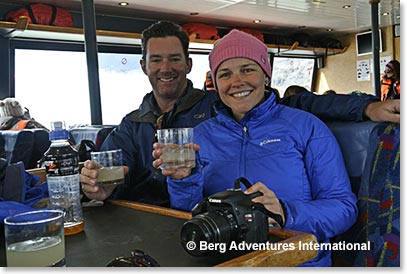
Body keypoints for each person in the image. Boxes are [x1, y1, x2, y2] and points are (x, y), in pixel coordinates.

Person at [79, 21, 400, 207]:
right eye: (157, 60)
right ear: (144, 66)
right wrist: (97, 186)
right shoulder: (131, 125)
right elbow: (108, 170)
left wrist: (365, 107)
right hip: (166, 225)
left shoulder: (217, 108)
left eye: (175, 59)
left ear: (188, 65)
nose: (166, 69)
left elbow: (295, 106)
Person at [152, 29, 357, 266]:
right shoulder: (201, 136)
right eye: (225, 74)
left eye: (247, 70)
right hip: (226, 262)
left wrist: (286, 213)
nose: (237, 82)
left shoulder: (307, 128)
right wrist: (182, 180)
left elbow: (344, 208)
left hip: (296, 262)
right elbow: (190, 214)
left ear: (266, 75)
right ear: (216, 84)